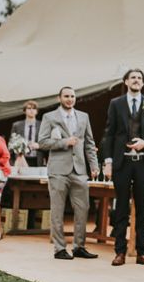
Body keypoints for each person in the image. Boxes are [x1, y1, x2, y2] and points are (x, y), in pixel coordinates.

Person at [101, 69, 144, 266]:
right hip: (122, 162)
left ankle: (142, 253)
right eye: (133, 77)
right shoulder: (116, 103)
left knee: (143, 208)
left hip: (143, 163)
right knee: (121, 208)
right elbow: (109, 134)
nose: (136, 80)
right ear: (126, 81)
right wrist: (108, 161)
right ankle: (120, 252)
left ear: (143, 83)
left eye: (140, 78)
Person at [38, 86, 100, 260]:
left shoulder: (83, 117)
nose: (70, 99)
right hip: (58, 170)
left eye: (72, 96)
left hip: (80, 170)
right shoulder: (49, 117)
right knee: (57, 210)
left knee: (83, 209)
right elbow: (42, 142)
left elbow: (89, 143)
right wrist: (65, 142)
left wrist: (94, 165)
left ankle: (79, 246)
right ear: (60, 98)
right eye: (66, 96)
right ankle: (59, 248)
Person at [10, 100, 45, 167]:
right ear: (24, 111)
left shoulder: (42, 125)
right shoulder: (17, 125)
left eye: (34, 108)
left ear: (37, 111)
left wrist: (38, 145)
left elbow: (46, 142)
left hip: (37, 158)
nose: (31, 110)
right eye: (29, 108)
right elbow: (12, 143)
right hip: (22, 157)